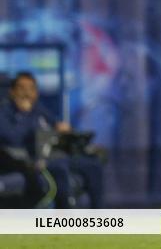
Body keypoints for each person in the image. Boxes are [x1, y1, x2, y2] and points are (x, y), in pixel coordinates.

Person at [0, 72, 103, 208]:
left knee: (92, 164)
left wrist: (62, 128)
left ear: (36, 93)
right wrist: (25, 115)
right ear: (12, 92)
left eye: (31, 89)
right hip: (26, 159)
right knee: (59, 166)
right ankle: (65, 214)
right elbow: (13, 139)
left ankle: (98, 212)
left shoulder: (38, 109)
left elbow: (54, 124)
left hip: (52, 153)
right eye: (22, 88)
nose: (27, 93)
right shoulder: (4, 112)